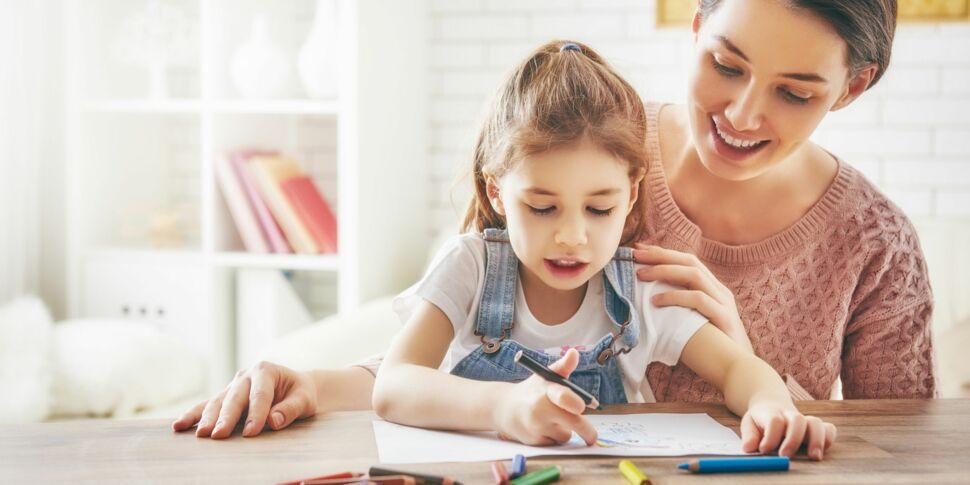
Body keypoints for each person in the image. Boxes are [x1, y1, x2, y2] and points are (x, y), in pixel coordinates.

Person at [173, 0, 933, 442]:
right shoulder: (587, 139)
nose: (741, 113)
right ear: (696, 22)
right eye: (726, 64)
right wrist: (313, 380)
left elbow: (906, 452)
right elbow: (449, 355)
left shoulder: (875, 246)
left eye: (794, 92)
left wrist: (767, 382)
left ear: (852, 87)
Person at [371, 40, 835, 458]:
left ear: (630, 195)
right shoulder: (469, 266)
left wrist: (771, 405)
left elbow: (738, 369)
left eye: (598, 210)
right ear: (496, 192)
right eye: (541, 207)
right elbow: (393, 385)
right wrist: (504, 406)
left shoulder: (638, 290)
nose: (572, 236)